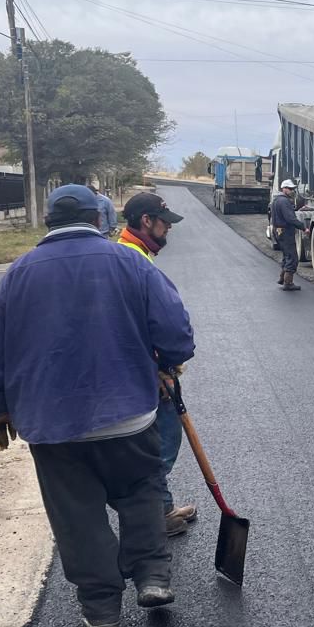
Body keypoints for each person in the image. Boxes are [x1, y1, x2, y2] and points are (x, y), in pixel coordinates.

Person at [0, 184, 195, 627]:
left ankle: (102, 612)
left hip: (53, 427)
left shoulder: (18, 274)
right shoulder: (131, 262)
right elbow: (174, 329)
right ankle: (152, 577)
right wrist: (168, 361)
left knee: (78, 517)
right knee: (141, 493)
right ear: (100, 220)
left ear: (49, 222)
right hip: (129, 415)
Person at [117, 191, 198, 536]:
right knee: (161, 441)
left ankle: (161, 506)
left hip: (141, 365)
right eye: (165, 223)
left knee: (158, 440)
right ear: (146, 221)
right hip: (146, 369)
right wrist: (166, 365)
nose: (169, 230)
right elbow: (163, 322)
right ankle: (151, 517)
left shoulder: (131, 253)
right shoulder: (131, 257)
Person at [271, 179, 305, 291]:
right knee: (292, 257)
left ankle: (282, 278)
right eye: (289, 189)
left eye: (292, 189)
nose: (291, 191)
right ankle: (288, 282)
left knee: (286, 255)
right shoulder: (284, 201)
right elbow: (290, 218)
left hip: (278, 230)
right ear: (283, 188)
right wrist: (303, 227)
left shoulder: (276, 200)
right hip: (285, 232)